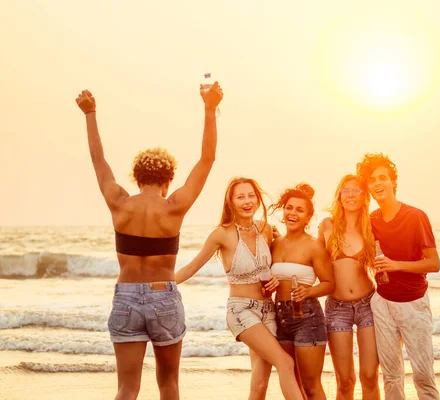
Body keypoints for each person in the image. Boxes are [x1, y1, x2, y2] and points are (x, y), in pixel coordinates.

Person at [75, 82, 223, 400]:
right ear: (169, 180)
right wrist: (210, 107)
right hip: (164, 298)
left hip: (126, 296)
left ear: (136, 178)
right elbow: (207, 159)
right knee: (168, 384)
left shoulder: (118, 201)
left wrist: (90, 113)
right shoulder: (174, 206)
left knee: (127, 388)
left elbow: (98, 160)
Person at [175, 177, 304, 400]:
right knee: (285, 362)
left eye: (251, 195)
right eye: (240, 197)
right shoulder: (221, 234)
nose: (247, 201)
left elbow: (289, 254)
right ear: (231, 202)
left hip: (268, 310)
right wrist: (157, 284)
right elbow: (192, 266)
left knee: (261, 383)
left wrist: (276, 278)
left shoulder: (265, 229)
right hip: (241, 311)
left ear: (258, 198)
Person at [356, 153, 440, 400]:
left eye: (383, 178)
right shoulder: (371, 220)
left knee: (423, 375)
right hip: (382, 303)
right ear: (368, 187)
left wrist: (396, 265)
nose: (378, 184)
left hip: (413, 303)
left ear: (393, 182)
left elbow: (434, 263)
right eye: (372, 180)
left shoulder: (416, 216)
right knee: (391, 376)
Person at [270, 183, 335, 400]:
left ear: (308, 217)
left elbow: (329, 283)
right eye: (289, 208)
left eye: (300, 210)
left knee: (310, 385)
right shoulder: (275, 243)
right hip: (280, 317)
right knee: (292, 382)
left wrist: (309, 292)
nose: (293, 213)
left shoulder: (314, 246)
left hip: (308, 318)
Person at [318, 175, 380, 400]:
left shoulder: (372, 227)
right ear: (339, 195)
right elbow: (313, 260)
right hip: (336, 308)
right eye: (346, 190)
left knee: (370, 376)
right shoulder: (327, 225)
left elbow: (383, 263)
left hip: (368, 305)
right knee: (345, 381)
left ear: (364, 197)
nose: (351, 195)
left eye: (357, 191)